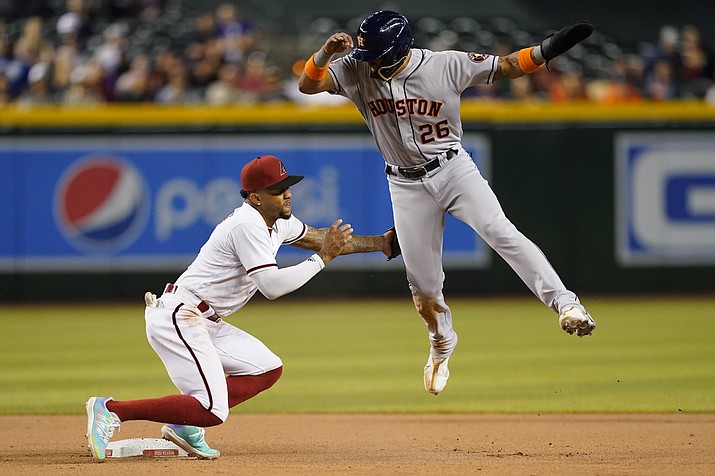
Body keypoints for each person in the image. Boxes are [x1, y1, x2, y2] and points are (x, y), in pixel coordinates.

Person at [298, 11, 597, 396]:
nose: (368, 61)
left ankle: (566, 304)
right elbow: (309, 85)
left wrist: (548, 49)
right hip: (404, 184)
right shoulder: (357, 68)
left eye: (376, 54)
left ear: (399, 49)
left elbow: (507, 66)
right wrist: (324, 53)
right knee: (423, 286)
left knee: (499, 230)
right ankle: (441, 340)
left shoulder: (445, 64)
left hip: (453, 169)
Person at [85, 155, 398, 461]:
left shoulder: (277, 223)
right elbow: (273, 287)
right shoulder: (247, 225)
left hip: (204, 319)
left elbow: (322, 239)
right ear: (256, 197)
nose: (287, 193)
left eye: (288, 185)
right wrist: (323, 259)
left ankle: (185, 426)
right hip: (180, 315)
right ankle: (112, 410)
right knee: (212, 410)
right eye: (278, 189)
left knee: (267, 368)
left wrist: (380, 243)